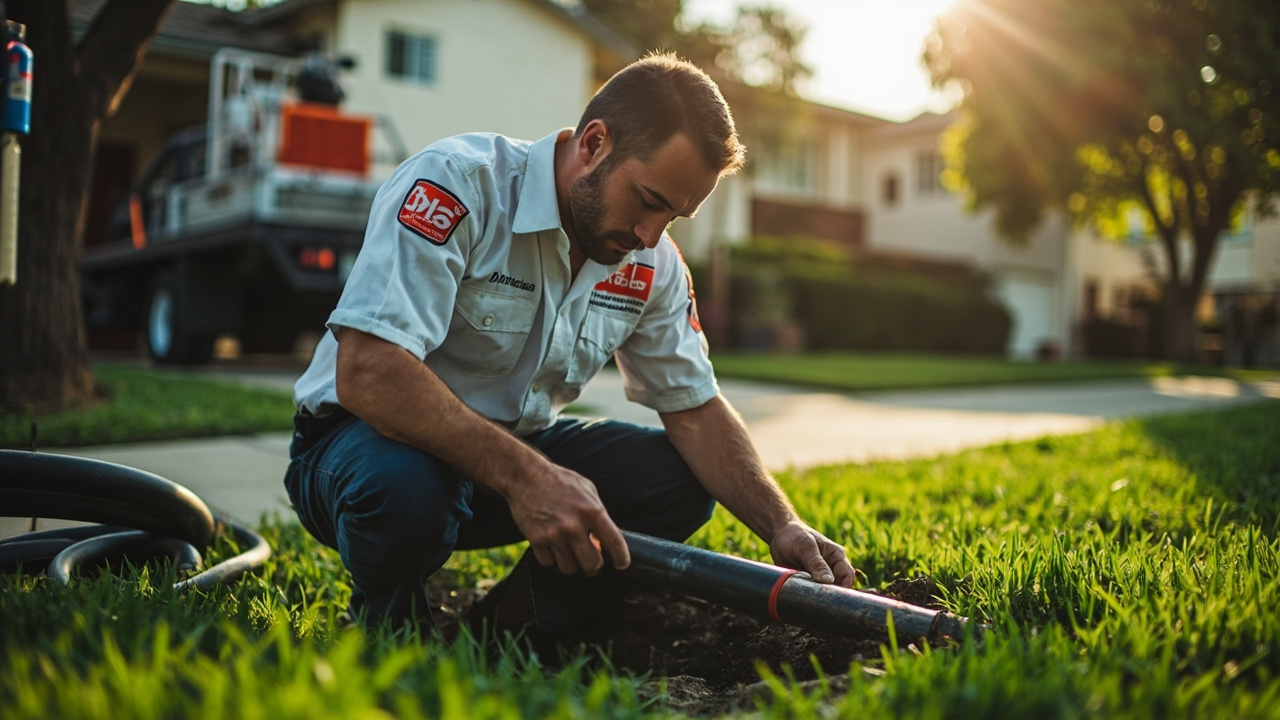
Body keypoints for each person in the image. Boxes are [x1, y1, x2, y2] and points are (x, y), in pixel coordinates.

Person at [285, 52, 857, 634]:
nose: (648, 236)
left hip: (512, 455)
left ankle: (508, 632)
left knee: (678, 483)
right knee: (405, 490)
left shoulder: (651, 262)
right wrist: (527, 477)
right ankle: (392, 631)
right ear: (594, 144)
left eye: (675, 217)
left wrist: (782, 523)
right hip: (361, 449)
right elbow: (369, 371)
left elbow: (695, 408)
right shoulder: (458, 185)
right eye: (649, 200)